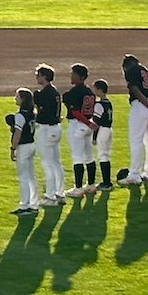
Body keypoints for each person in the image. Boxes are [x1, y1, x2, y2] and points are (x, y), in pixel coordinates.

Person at [119, 54, 148, 184]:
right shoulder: (146, 71)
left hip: (142, 105)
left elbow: (135, 90)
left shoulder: (131, 70)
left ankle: (134, 174)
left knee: (136, 140)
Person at [61, 64, 98, 196]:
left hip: (78, 125)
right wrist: (90, 123)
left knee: (77, 157)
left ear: (80, 76)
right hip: (88, 125)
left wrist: (87, 122)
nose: (71, 76)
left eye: (73, 74)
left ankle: (78, 188)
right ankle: (91, 185)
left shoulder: (75, 92)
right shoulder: (90, 92)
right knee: (89, 156)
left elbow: (75, 112)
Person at [32, 64, 64, 207]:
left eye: (38, 75)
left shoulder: (44, 93)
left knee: (47, 163)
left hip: (46, 129)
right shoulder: (55, 92)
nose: (36, 77)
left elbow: (41, 111)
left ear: (44, 76)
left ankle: (50, 196)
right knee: (56, 162)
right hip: (56, 128)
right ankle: (59, 192)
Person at [7, 88, 39, 214]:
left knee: (23, 177)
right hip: (31, 145)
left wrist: (13, 148)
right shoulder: (32, 113)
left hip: (24, 148)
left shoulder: (20, 116)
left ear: (23, 99)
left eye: (17, 96)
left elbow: (18, 134)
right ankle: (34, 203)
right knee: (31, 176)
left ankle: (24, 205)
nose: (15, 98)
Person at [91, 78, 116, 189]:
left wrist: (94, 136)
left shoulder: (99, 104)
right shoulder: (108, 103)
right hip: (109, 129)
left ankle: (106, 183)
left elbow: (96, 121)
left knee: (102, 156)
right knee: (106, 154)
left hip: (102, 131)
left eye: (95, 89)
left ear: (100, 90)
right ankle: (107, 181)